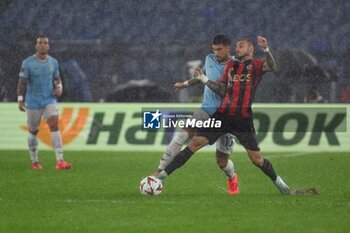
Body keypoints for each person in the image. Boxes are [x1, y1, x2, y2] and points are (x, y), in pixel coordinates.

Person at [156, 36, 291, 195]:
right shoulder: (232, 66)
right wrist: (200, 80)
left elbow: (272, 67)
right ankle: (162, 176)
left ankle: (279, 182)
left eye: (241, 46)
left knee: (255, 160)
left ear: (251, 49)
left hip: (243, 120)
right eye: (237, 46)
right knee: (195, 143)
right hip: (223, 116)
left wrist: (266, 49)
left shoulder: (255, 66)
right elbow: (222, 89)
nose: (237, 49)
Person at [152, 34, 239, 194]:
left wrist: (206, 80)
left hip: (227, 117)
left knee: (222, 162)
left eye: (219, 50)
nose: (216, 53)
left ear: (228, 48)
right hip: (206, 109)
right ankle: (158, 172)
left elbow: (225, 92)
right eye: (214, 49)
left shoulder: (236, 66)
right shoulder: (209, 59)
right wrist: (185, 84)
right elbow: (201, 77)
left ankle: (232, 177)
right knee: (181, 135)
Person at [17, 35, 72, 170]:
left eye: (45, 43)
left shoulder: (53, 62)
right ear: (36, 46)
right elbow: (22, 82)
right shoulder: (28, 63)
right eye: (40, 43)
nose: (42, 45)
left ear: (48, 46)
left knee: (54, 124)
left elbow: (57, 78)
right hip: (33, 101)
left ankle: (60, 160)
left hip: (49, 99)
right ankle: (35, 161)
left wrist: (59, 88)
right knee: (33, 131)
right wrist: (20, 99)